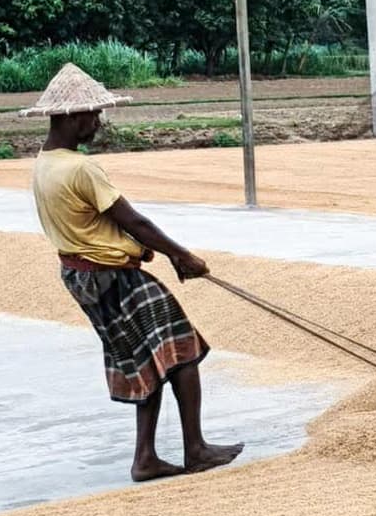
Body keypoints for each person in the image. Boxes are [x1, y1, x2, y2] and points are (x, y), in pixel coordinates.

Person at [22, 63, 243, 480]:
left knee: (147, 359)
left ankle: (146, 458)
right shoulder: (81, 168)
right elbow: (134, 222)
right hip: (112, 277)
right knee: (182, 351)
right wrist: (184, 256)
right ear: (71, 116)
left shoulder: (43, 164)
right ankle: (195, 449)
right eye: (92, 115)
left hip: (82, 276)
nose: (97, 122)